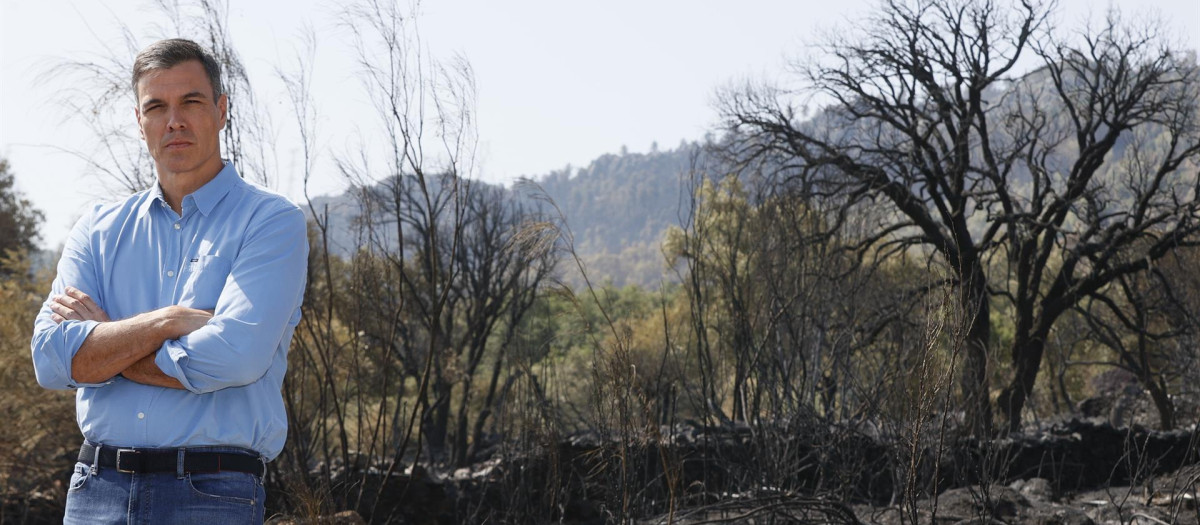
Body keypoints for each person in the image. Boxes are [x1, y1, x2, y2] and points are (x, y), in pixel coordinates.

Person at [30, 38, 307, 524]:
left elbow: (234, 358)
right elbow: (52, 359)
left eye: (191, 102)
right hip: (96, 489)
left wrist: (105, 349)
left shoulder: (270, 222)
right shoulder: (98, 228)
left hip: (211, 494)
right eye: (156, 106)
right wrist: (166, 322)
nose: (173, 121)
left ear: (221, 110)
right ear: (140, 122)